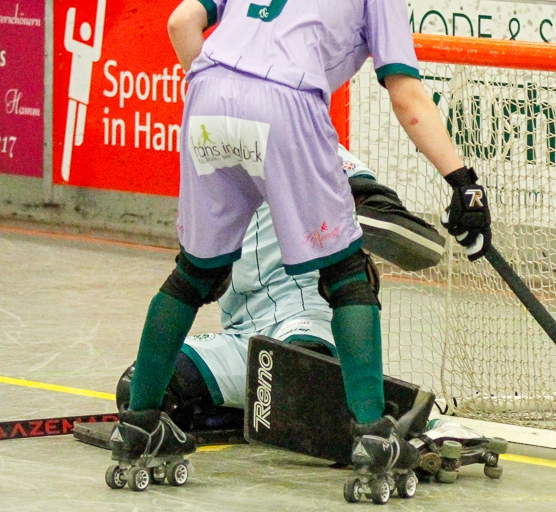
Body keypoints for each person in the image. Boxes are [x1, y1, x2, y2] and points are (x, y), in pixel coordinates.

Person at [109, 0, 491, 495]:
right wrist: (462, 180)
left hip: (207, 89)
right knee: (347, 276)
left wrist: (218, 88)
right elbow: (408, 99)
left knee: (194, 273)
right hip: (286, 101)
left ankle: (138, 425)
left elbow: (181, 24)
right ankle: (372, 436)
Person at [114, 144, 445, 434]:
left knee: (296, 370)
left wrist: (364, 217)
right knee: (139, 385)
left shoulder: (308, 143)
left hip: (303, 322)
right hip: (241, 339)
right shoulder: (212, 163)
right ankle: (263, 411)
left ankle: (396, 417)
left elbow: (381, 212)